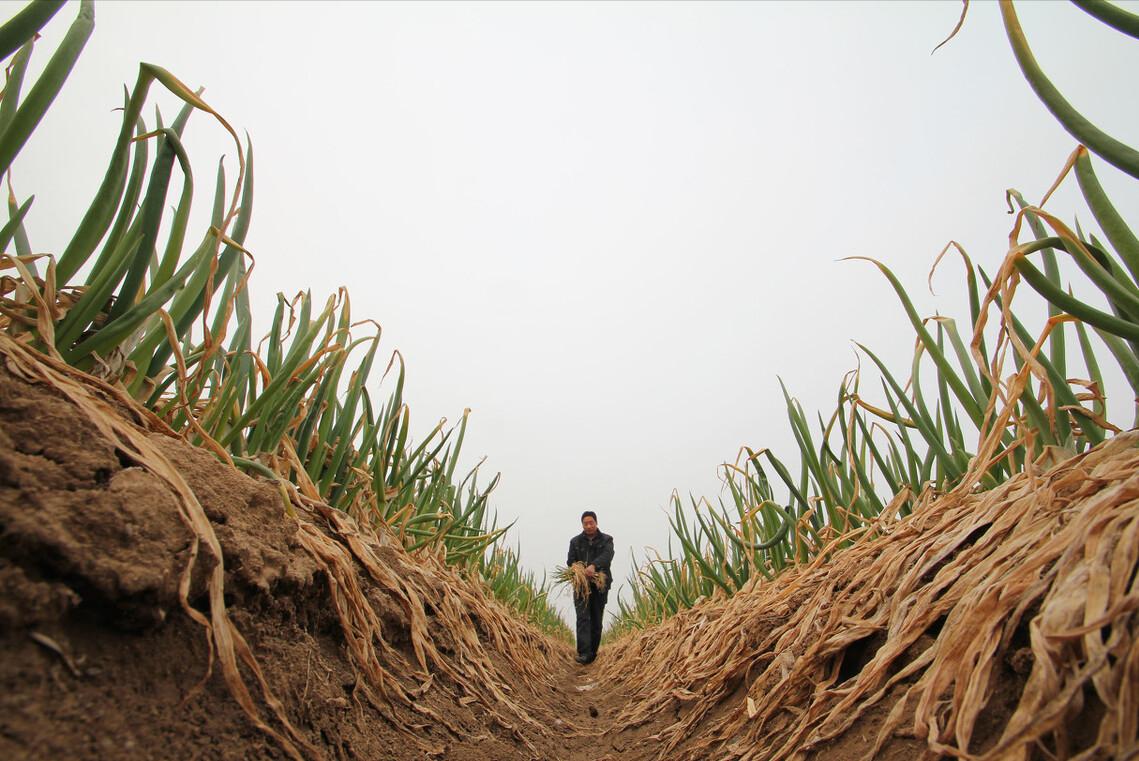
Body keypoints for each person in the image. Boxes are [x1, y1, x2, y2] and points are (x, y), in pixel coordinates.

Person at [566, 510, 614, 665]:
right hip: (581, 585)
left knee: (596, 618)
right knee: (582, 618)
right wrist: (578, 570)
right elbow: (570, 561)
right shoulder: (575, 542)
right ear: (582, 525)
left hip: (600, 585)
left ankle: (592, 653)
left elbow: (607, 556)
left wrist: (593, 566)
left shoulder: (607, 540)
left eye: (591, 522)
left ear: (596, 523)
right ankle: (583, 653)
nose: (588, 526)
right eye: (585, 523)